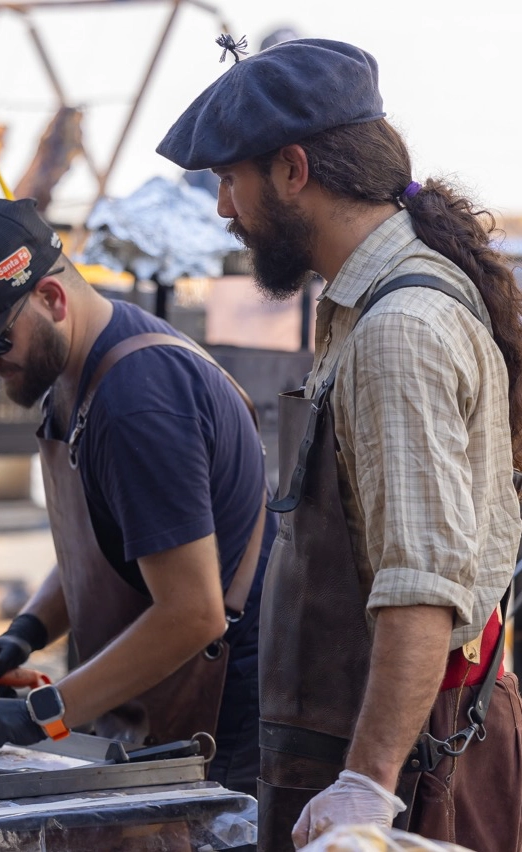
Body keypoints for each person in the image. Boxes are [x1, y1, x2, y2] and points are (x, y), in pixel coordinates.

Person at [157, 37, 522, 851]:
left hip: (409, 769)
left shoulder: (400, 330)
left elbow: (423, 584)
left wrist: (369, 784)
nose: (223, 208)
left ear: (293, 170)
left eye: (230, 180)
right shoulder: (361, 311)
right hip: (364, 746)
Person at [0, 197, 276, 794]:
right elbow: (107, 542)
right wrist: (28, 630)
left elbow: (193, 612)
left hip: (222, 729)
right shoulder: (71, 367)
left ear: (52, 300)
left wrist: (44, 712)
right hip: (154, 709)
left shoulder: (137, 402)